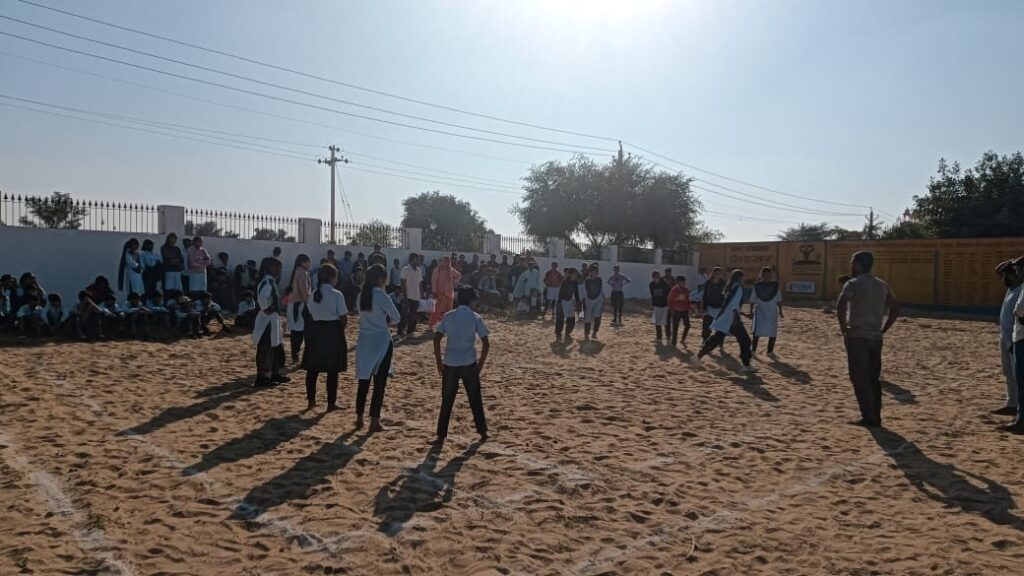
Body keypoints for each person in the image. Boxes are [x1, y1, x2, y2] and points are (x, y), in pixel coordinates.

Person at [836, 251, 900, 428]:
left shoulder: (853, 284)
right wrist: (883, 329)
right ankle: (876, 415)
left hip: (857, 335)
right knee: (873, 377)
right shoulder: (882, 284)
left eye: (852, 263)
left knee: (859, 377)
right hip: (875, 337)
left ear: (857, 265)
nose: (850, 266)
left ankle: (868, 417)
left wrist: (844, 329)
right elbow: (895, 309)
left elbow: (840, 306)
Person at [433, 286, 490, 444]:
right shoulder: (475, 317)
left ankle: (441, 435)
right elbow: (486, 343)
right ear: (471, 300)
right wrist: (481, 363)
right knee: (475, 398)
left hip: (450, 362)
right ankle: (483, 432)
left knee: (447, 400)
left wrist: (439, 362)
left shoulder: (449, 316)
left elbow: (437, 338)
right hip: (468, 362)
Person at [355, 264, 400, 432]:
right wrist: (384, 320)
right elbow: (396, 318)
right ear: (381, 279)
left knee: (363, 381)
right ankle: (374, 420)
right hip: (381, 341)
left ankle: (359, 418)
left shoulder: (361, 295)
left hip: (364, 341)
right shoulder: (382, 296)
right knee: (379, 383)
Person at [303, 264, 348, 412]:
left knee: (313, 368)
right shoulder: (337, 294)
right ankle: (331, 403)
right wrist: (339, 330)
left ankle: (311, 400)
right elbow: (343, 317)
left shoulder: (313, 294)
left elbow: (310, 313)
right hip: (332, 330)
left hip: (316, 330)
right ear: (332, 278)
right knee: (332, 370)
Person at [697, 269, 755, 371]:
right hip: (732, 319)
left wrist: (743, 314)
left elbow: (729, 305)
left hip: (724, 318)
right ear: (740, 278)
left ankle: (698, 356)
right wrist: (736, 319)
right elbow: (734, 306)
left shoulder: (729, 287)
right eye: (742, 277)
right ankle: (746, 365)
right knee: (745, 341)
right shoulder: (737, 288)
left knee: (716, 339)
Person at [253, 257, 290, 388]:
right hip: (267, 320)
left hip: (272, 319)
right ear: (270, 267)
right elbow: (263, 297)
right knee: (266, 348)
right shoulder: (267, 282)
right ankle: (263, 376)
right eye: (277, 267)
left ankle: (274, 373)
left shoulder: (270, 281)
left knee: (275, 346)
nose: (280, 270)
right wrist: (267, 308)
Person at [996, 261, 1022, 416]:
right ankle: (1011, 403)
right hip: (1004, 337)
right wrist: (1011, 263)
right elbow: (997, 269)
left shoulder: (1020, 290)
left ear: (1015, 275)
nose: (1003, 278)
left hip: (1015, 338)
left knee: (1017, 373)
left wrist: (1012, 341)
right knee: (1008, 373)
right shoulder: (1010, 289)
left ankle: (1019, 406)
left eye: (1007, 275)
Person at [284, 254, 313, 363]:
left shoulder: (296, 271)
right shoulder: (302, 273)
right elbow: (304, 291)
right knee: (300, 331)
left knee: (296, 331)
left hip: (293, 304)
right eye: (308, 261)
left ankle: (295, 354)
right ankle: (296, 354)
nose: (309, 264)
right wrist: (309, 304)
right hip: (300, 305)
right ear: (303, 262)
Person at [749, 267, 784, 355]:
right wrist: (750, 310)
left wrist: (780, 310)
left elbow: (779, 299)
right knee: (757, 331)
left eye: (768, 275)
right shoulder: (757, 285)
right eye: (764, 275)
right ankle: (753, 350)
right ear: (761, 275)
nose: (766, 276)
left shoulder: (775, 285)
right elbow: (752, 299)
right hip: (760, 311)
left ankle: (770, 351)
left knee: (772, 331)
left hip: (772, 311)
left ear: (770, 275)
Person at [429, 256, 462, 330]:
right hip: (440, 293)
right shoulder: (438, 269)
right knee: (437, 310)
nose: (447, 262)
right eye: (446, 261)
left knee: (449, 310)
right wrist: (434, 291)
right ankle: (431, 325)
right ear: (442, 261)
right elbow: (434, 281)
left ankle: (448, 325)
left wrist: (453, 282)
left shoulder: (451, 269)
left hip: (449, 293)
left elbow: (459, 275)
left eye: (449, 261)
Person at [399, 253, 424, 336]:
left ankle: (410, 331)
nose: (420, 261)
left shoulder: (419, 270)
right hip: (407, 296)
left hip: (416, 296)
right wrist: (405, 296)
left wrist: (422, 294)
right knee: (404, 315)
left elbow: (420, 283)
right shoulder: (405, 269)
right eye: (419, 259)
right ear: (414, 259)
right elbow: (403, 283)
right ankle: (400, 331)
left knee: (413, 315)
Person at [701, 267, 727, 348]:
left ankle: (720, 342)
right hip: (709, 306)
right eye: (716, 273)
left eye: (719, 273)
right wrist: (703, 307)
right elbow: (705, 295)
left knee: (720, 326)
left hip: (720, 307)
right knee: (706, 325)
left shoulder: (724, 283)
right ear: (713, 273)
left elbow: (726, 295)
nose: (717, 275)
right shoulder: (708, 283)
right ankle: (705, 340)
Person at [555, 268, 582, 341]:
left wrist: (578, 302)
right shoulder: (565, 281)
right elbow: (561, 292)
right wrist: (560, 303)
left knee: (571, 319)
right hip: (562, 301)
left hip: (569, 301)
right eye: (574, 275)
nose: (575, 276)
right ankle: (558, 333)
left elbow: (576, 293)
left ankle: (567, 332)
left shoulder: (575, 283)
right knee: (560, 319)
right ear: (570, 275)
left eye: (576, 275)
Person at [667, 275, 692, 347]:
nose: (683, 283)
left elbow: (688, 300)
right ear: (678, 282)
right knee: (675, 327)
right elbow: (669, 300)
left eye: (684, 281)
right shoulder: (674, 290)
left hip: (684, 311)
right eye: (681, 282)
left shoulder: (686, 290)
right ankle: (674, 342)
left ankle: (683, 339)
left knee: (687, 325)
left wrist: (689, 309)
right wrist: (672, 309)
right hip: (676, 311)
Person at [582, 264, 604, 339]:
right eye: (594, 271)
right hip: (589, 300)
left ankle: (594, 332)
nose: (596, 272)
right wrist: (584, 300)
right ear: (590, 272)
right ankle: (586, 334)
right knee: (587, 318)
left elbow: (601, 289)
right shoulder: (587, 280)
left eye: (597, 271)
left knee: (597, 317)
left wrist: (602, 298)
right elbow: (584, 291)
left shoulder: (599, 279)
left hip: (598, 299)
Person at [649, 271, 670, 342]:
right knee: (657, 322)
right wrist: (653, 304)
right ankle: (659, 337)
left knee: (666, 322)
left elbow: (668, 294)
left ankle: (668, 337)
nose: (656, 278)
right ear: (653, 278)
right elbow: (652, 294)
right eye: (655, 277)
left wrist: (669, 304)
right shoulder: (651, 284)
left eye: (657, 277)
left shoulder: (665, 284)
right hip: (656, 305)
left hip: (665, 305)